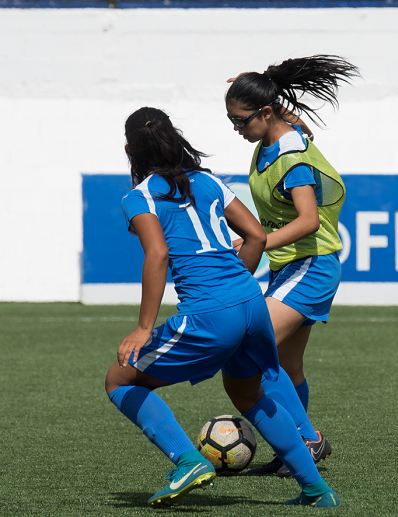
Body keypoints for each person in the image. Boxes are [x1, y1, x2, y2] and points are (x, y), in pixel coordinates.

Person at [104, 107, 339, 508]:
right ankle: (317, 490)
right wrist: (236, 290)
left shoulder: (138, 197)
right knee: (247, 391)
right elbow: (255, 237)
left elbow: (157, 255)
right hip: (250, 304)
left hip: (211, 312)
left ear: (130, 149)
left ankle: (189, 462)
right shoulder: (209, 182)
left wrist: (144, 328)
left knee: (119, 380)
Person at [225, 55, 358, 475]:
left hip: (311, 266)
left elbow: (308, 220)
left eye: (241, 121)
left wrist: (257, 242)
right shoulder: (275, 135)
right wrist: (256, 85)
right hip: (292, 267)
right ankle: (291, 452)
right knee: (286, 365)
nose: (237, 129)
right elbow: (287, 117)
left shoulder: (293, 157)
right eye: (231, 121)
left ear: (265, 113)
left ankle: (308, 440)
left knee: (250, 349)